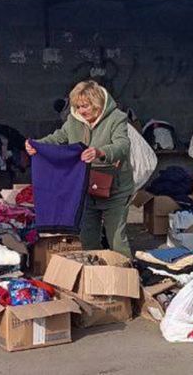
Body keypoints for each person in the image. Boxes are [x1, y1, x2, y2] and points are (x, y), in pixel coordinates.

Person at [26, 80, 133, 257]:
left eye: (86, 106)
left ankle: (126, 275)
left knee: (116, 239)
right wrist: (36, 145)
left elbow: (123, 145)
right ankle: (95, 276)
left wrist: (100, 152)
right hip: (86, 186)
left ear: (97, 103)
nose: (81, 111)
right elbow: (58, 137)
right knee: (88, 237)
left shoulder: (117, 118)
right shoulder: (73, 120)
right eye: (78, 106)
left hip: (116, 189)